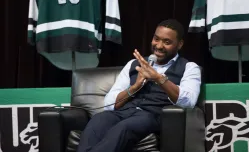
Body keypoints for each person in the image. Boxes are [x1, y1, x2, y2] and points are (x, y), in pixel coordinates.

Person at [76, 19, 201, 152]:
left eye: (167, 42)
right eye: (156, 39)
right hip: (123, 112)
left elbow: (189, 101)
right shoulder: (133, 64)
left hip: (150, 116)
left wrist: (159, 78)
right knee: (98, 119)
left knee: (124, 127)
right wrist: (135, 87)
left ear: (180, 44)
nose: (159, 46)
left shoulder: (189, 68)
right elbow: (109, 102)